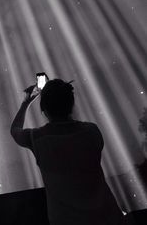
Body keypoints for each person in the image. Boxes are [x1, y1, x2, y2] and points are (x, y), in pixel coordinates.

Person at [11, 79, 126, 225]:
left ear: (44, 110)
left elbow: (14, 131)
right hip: (108, 218)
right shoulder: (92, 131)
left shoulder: (37, 138)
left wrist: (25, 103)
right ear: (71, 104)